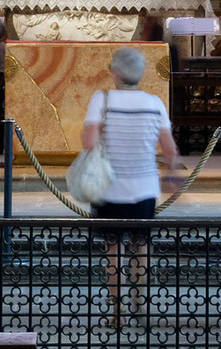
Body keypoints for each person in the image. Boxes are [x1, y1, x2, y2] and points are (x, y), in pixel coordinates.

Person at [82, 46, 184, 317]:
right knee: (141, 246)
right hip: (144, 189)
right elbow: (170, 149)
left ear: (115, 73)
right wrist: (171, 174)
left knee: (113, 249)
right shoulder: (154, 103)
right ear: (139, 74)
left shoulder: (101, 99)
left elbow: (89, 142)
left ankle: (117, 309)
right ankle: (140, 302)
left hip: (110, 189)